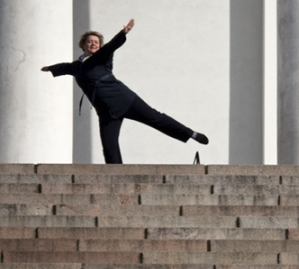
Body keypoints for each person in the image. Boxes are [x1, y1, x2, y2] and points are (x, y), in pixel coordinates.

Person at [41, 18, 208, 164]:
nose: (93, 44)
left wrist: (123, 32)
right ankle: (116, 175)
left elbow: (112, 45)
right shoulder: (76, 66)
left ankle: (191, 134)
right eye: (89, 41)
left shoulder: (102, 57)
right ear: (83, 45)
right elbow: (64, 67)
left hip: (125, 100)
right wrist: (50, 68)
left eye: (96, 42)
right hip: (106, 111)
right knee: (109, 146)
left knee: (155, 118)